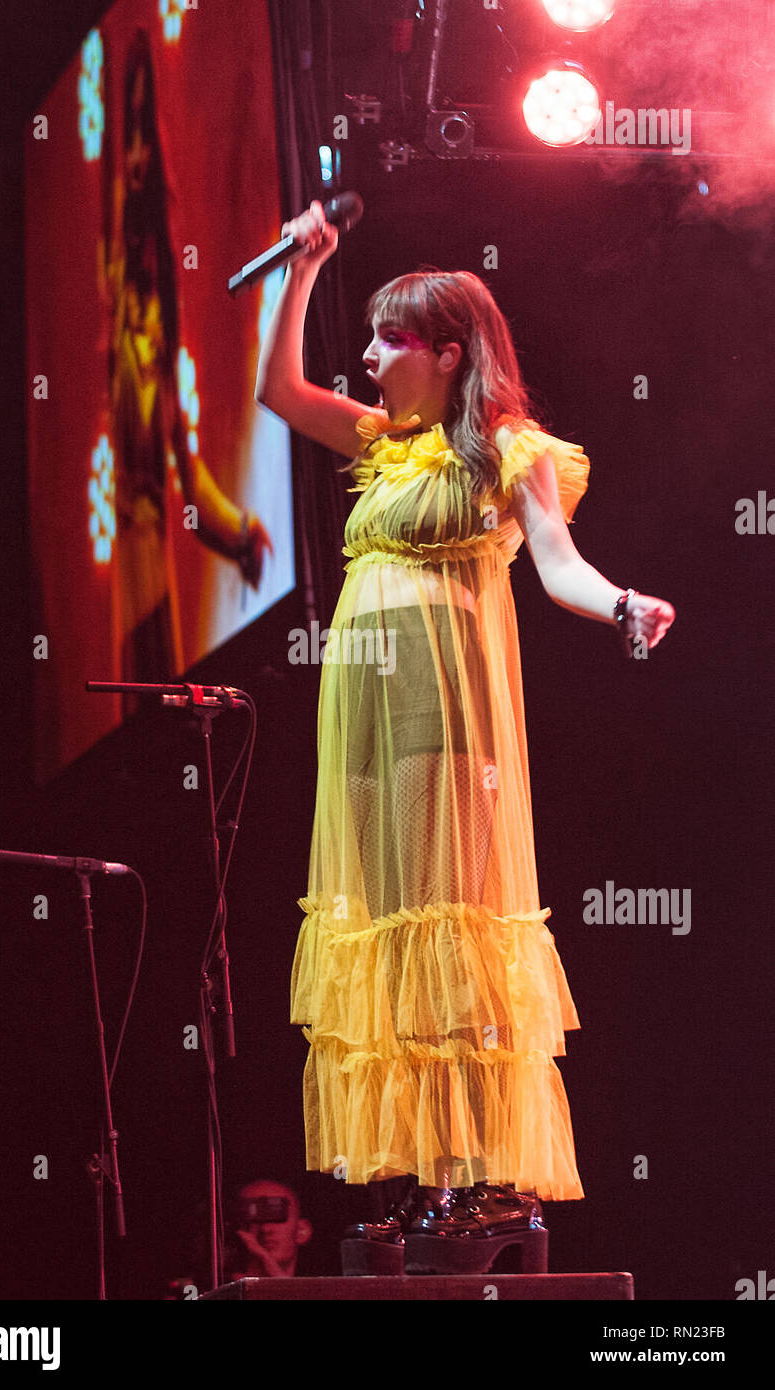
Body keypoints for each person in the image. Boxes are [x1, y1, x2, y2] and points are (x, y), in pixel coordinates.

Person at [255, 201, 675, 1274]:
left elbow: (556, 563)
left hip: (445, 707)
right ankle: (415, 1174)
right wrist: (301, 270)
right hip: (359, 705)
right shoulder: (382, 443)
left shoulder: (507, 448)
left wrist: (622, 601)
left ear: (447, 353)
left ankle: (481, 1176)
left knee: (453, 913)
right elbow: (278, 392)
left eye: (388, 337)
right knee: (388, 919)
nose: (368, 355)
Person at [99, 28, 272, 689]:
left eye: (147, 134)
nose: (140, 158)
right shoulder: (117, 310)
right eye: (132, 138)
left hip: (147, 566)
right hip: (130, 564)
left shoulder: (155, 342)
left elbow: (187, 472)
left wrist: (239, 533)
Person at [226, 1179, 313, 1280]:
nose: (266, 1229)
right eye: (255, 1217)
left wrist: (273, 1271)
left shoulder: (321, 1292)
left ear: (302, 1231)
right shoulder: (225, 1293)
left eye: (277, 1216)